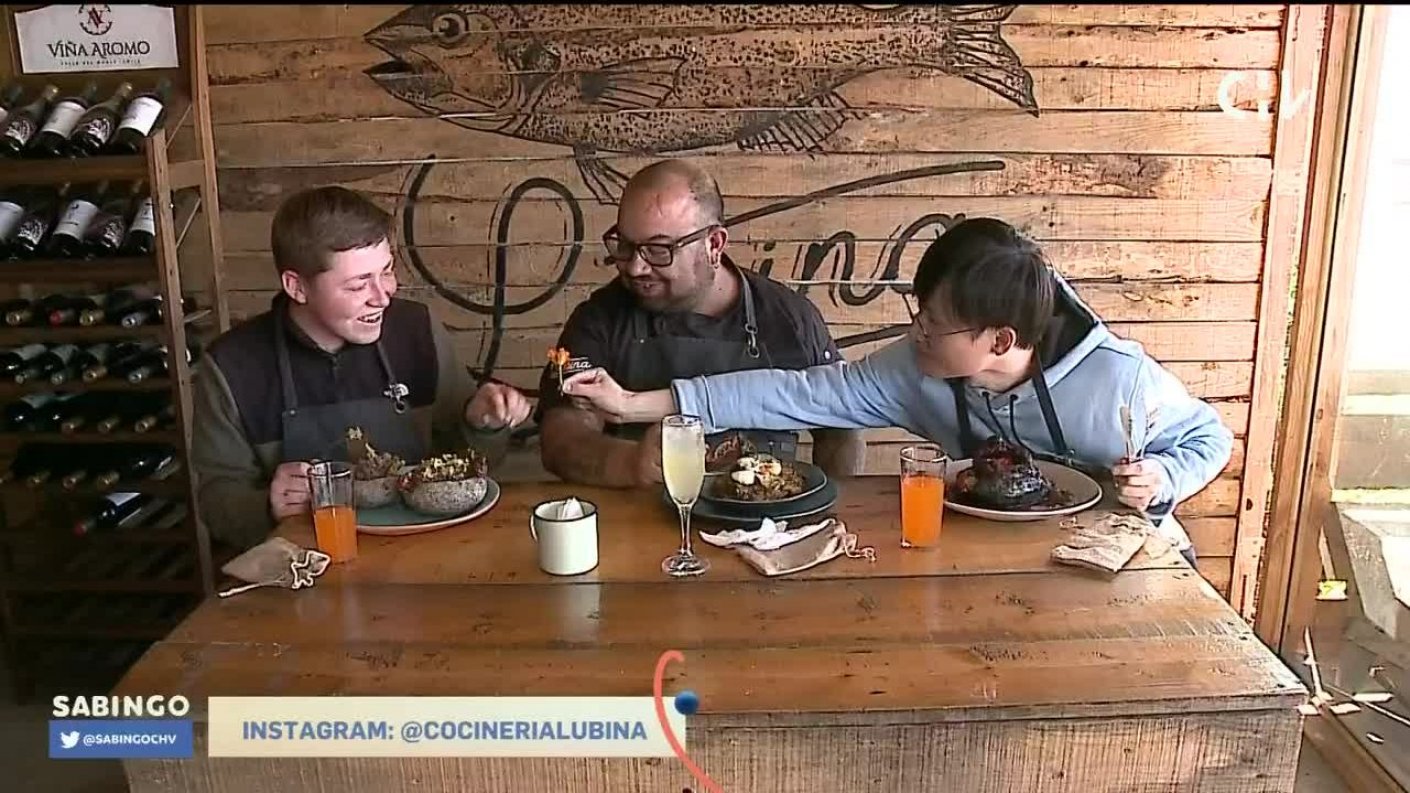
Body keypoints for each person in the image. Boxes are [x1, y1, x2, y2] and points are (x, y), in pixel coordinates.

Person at [562, 217, 1233, 561]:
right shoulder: (913, 370)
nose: (917, 333)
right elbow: (788, 392)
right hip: (1001, 569)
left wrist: (1166, 474)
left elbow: (1209, 435)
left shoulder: (1116, 377)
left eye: (934, 324)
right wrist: (635, 404)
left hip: (1132, 564)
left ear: (1000, 340)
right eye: (920, 313)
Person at [191, 186, 532, 550]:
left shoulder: (417, 331)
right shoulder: (233, 366)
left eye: (387, 271)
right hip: (304, 565)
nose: (383, 296)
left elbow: (469, 466)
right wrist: (267, 506)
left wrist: (482, 426)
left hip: (425, 551)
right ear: (297, 287)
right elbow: (216, 503)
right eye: (358, 285)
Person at [536, 159, 864, 487]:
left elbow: (840, 429)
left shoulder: (789, 319)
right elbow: (561, 436)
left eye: (659, 249)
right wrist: (627, 462)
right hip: (638, 513)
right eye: (624, 244)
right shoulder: (599, 318)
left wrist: (830, 501)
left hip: (764, 515)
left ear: (714, 244)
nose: (635, 267)